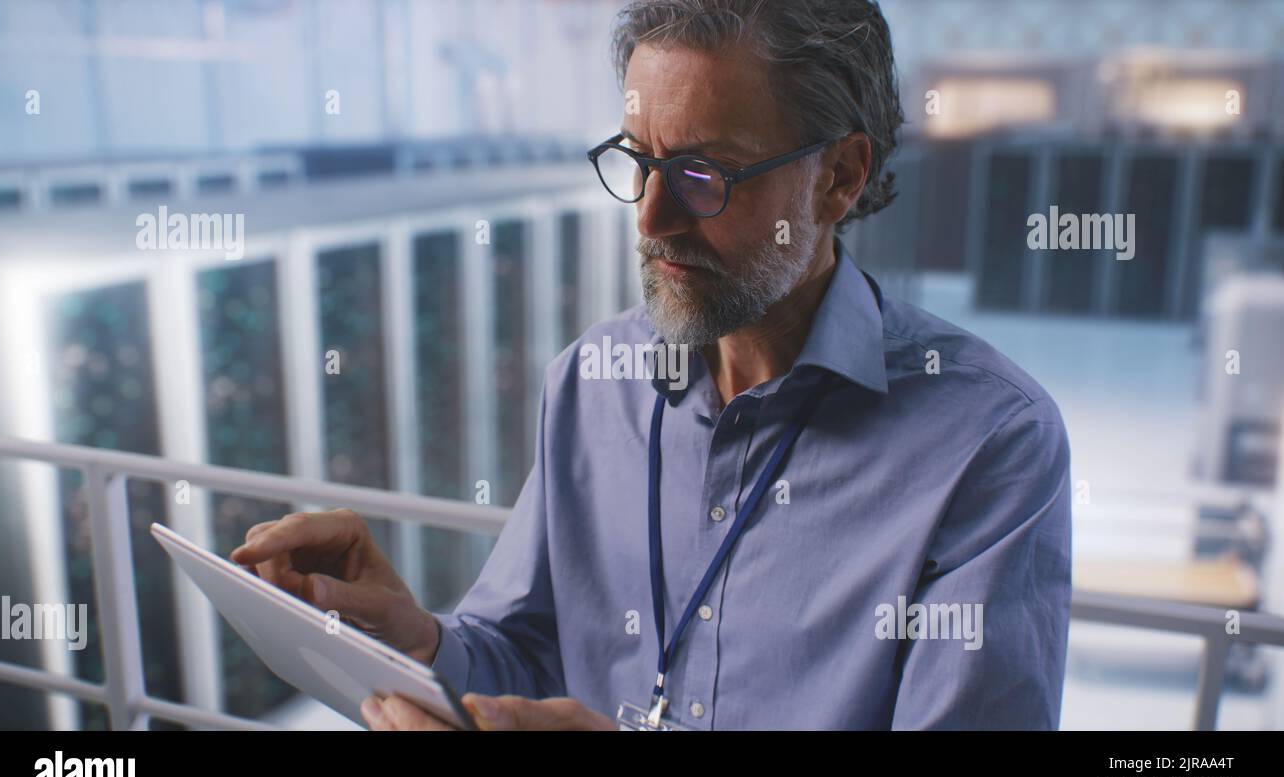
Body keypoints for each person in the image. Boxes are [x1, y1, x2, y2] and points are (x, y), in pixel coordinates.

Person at [232, 0, 1072, 731]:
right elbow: (521, 654)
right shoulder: (589, 382)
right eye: (638, 159)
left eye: (701, 173)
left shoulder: (989, 444)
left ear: (839, 178)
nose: (649, 216)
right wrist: (420, 645)